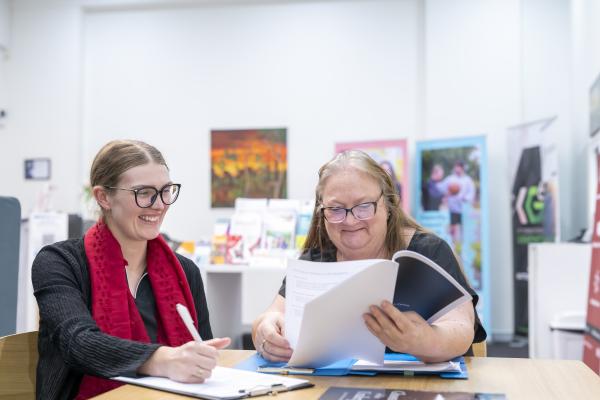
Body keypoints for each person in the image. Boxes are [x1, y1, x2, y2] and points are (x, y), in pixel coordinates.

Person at [32, 140, 231, 400]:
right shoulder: (59, 262)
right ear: (103, 197)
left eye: (166, 191)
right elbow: (77, 342)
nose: (159, 205)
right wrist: (163, 359)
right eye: (144, 192)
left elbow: (201, 358)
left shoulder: (185, 271)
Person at [252, 150, 486, 363]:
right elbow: (271, 315)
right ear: (321, 212)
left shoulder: (427, 251)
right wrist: (265, 332)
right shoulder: (314, 260)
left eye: (364, 206)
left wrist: (421, 340)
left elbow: (461, 329)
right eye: (335, 209)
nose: (351, 220)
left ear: (388, 205)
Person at [438, 161, 476, 245]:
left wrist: (465, 198)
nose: (456, 169)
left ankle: (464, 244)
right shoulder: (450, 179)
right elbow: (441, 187)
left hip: (463, 208)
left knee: (464, 228)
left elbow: (471, 192)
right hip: (453, 208)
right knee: (452, 228)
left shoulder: (467, 180)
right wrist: (446, 194)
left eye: (458, 167)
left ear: (462, 168)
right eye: (455, 167)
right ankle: (452, 244)